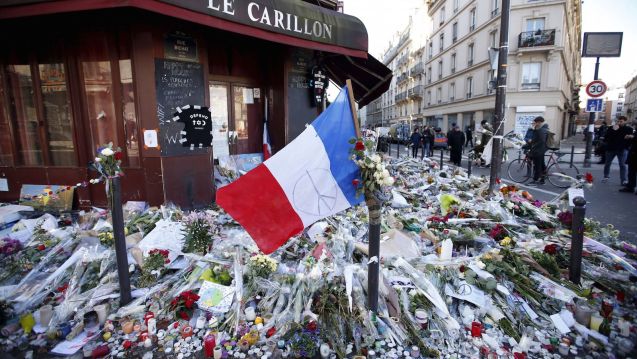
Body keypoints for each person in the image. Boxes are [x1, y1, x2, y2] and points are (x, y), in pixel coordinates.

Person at [602, 116, 633, 185]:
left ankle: (623, 180)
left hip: (622, 149)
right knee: (607, 163)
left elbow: (630, 139)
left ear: (625, 121)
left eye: (621, 121)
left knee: (622, 165)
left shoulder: (629, 129)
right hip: (611, 148)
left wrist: (626, 147)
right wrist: (613, 130)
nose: (619, 123)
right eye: (618, 121)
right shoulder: (611, 128)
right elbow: (606, 137)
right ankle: (606, 176)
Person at [528, 116, 549, 186]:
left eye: (536, 122)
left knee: (537, 166)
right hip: (541, 149)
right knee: (542, 165)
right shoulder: (542, 128)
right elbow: (538, 138)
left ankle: (535, 180)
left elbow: (540, 140)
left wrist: (532, 143)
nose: (535, 124)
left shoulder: (541, 130)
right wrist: (534, 129)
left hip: (538, 150)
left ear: (539, 122)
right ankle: (542, 179)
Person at [619, 123, 637, 194]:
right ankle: (630, 186)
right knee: (631, 171)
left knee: (632, 171)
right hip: (633, 153)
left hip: (635, 153)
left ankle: (631, 186)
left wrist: (631, 137)